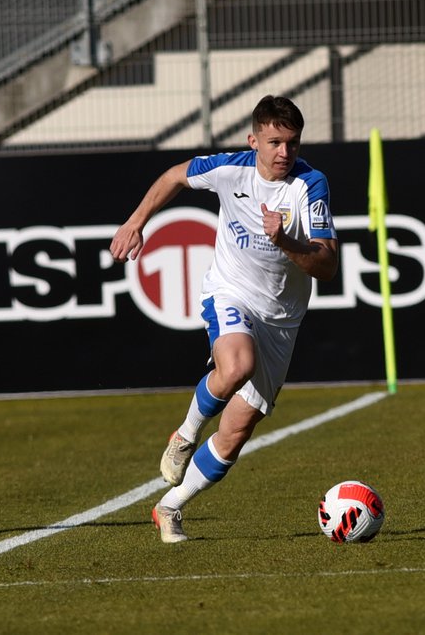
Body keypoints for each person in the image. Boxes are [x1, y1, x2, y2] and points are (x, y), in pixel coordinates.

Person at [110, 95, 339, 543]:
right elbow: (175, 175)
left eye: (292, 143)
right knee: (236, 366)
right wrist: (136, 221)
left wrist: (287, 240)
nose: (284, 153)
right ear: (253, 139)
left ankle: (168, 507)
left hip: (282, 320)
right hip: (230, 290)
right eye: (274, 142)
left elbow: (328, 266)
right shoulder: (229, 168)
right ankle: (185, 433)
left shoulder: (310, 185)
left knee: (236, 433)